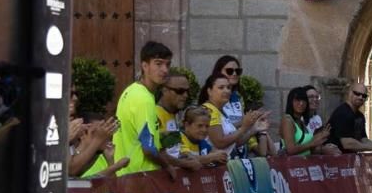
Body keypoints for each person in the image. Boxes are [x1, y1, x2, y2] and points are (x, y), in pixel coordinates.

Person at [113, 42, 199, 176]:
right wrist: (170, 166)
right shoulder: (144, 99)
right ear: (145, 66)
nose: (165, 70)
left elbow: (136, 135)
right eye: (158, 64)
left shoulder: (130, 91)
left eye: (167, 64)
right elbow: (148, 149)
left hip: (126, 175)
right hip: (140, 177)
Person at [199, 74, 270, 159]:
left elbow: (236, 143)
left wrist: (254, 129)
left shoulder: (220, 111)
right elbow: (219, 142)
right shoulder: (209, 110)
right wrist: (244, 127)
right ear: (209, 91)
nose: (226, 91)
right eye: (221, 88)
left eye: (228, 88)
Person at [325, 82, 372, 153]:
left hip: (349, 159)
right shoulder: (343, 113)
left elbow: (363, 139)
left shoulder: (360, 116)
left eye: (364, 96)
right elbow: (347, 144)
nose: (361, 97)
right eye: (357, 93)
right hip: (335, 159)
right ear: (350, 93)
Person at [280, 87, 333, 157]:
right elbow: (290, 150)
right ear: (291, 102)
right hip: (292, 165)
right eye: (297, 100)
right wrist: (313, 142)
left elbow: (307, 149)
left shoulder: (301, 122)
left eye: (304, 100)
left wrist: (320, 139)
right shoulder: (287, 119)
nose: (301, 103)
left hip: (304, 165)